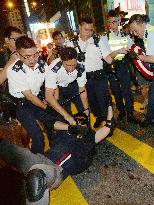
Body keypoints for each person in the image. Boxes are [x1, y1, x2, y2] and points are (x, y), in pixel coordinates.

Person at [0, 99, 115, 204]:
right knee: (15, 153)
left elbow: (109, 127)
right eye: (77, 120)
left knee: (37, 177)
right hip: (42, 159)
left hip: (55, 170)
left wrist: (109, 105)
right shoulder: (64, 130)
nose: (80, 123)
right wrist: (69, 126)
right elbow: (53, 122)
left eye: (83, 122)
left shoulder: (88, 138)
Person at [6, 35, 63, 154]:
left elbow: (52, 83)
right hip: (22, 105)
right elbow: (30, 97)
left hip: (37, 99)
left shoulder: (41, 64)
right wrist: (48, 107)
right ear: (18, 54)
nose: (32, 60)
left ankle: (55, 151)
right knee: (37, 136)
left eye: (34, 54)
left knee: (54, 122)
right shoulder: (14, 71)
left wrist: (55, 100)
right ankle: (36, 162)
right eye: (27, 57)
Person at [67, 16, 113, 128]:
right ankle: (99, 117)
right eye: (85, 29)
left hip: (99, 76)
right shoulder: (71, 44)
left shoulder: (98, 40)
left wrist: (116, 56)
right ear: (79, 27)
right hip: (83, 78)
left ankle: (109, 122)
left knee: (103, 100)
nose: (88, 33)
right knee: (91, 102)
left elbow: (108, 58)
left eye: (91, 30)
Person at [101, 10, 136, 123]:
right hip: (111, 67)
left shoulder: (125, 35)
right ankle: (121, 112)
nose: (112, 25)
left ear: (119, 21)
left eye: (114, 22)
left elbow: (132, 48)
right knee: (116, 92)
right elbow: (107, 57)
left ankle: (130, 113)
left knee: (127, 91)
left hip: (123, 65)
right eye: (110, 22)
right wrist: (119, 50)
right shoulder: (104, 38)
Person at [45, 46, 89, 127]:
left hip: (73, 85)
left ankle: (88, 132)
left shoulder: (80, 65)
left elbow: (82, 90)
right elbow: (48, 96)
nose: (72, 68)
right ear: (62, 60)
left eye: (74, 65)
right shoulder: (53, 69)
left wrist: (86, 109)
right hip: (58, 89)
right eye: (68, 65)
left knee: (84, 111)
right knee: (65, 116)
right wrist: (67, 116)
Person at [128, 14, 154, 127]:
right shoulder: (148, 32)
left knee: (152, 96)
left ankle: (149, 119)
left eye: (135, 30)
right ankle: (150, 118)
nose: (134, 33)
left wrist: (139, 57)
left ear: (141, 23)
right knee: (152, 95)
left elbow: (152, 58)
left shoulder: (151, 34)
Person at [0, 26, 23, 123]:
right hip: (12, 101)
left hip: (30, 96)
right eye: (15, 39)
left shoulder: (24, 53)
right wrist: (11, 61)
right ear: (7, 40)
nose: (19, 42)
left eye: (20, 39)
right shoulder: (2, 57)